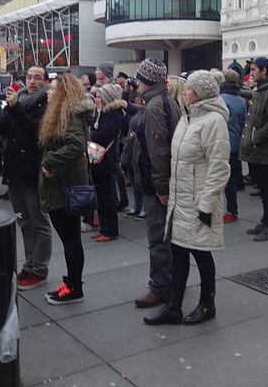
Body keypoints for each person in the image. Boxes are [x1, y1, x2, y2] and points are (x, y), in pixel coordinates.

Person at [144, 71, 230, 325]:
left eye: (190, 88)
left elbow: (219, 167)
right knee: (178, 253)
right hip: (180, 201)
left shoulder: (213, 121)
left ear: (201, 92)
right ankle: (173, 306)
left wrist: (206, 204)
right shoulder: (186, 117)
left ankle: (207, 304)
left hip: (199, 202)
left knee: (202, 254)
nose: (185, 91)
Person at [0, 66, 51, 290]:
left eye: (37, 78)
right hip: (15, 172)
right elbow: (1, 128)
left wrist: (15, 108)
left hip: (32, 172)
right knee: (24, 221)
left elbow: (36, 133)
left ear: (45, 81)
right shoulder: (18, 98)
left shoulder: (48, 104)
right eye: (29, 77)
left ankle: (39, 269)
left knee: (38, 223)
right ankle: (30, 265)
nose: (31, 81)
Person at [38, 72, 95, 304]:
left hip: (65, 186)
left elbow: (75, 146)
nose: (48, 92)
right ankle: (72, 284)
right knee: (70, 239)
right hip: (62, 184)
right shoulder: (64, 114)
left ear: (62, 92)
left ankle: (73, 288)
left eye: (52, 88)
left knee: (71, 239)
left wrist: (50, 160)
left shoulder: (70, 115)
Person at [132, 58, 180, 309]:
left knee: (159, 238)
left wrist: (161, 187)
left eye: (138, 78)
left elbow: (158, 150)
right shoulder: (164, 100)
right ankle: (168, 283)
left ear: (145, 81)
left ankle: (161, 287)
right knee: (165, 236)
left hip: (157, 184)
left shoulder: (155, 106)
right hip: (160, 181)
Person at [240, 56, 268, 242]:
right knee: (264, 189)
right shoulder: (261, 90)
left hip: (267, 150)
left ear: (264, 71)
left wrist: (255, 139)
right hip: (258, 150)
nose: (251, 73)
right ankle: (265, 221)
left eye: (254, 70)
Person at [89, 83, 125, 242]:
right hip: (98, 157)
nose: (97, 99)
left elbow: (102, 134)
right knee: (101, 196)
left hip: (106, 159)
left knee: (107, 196)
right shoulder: (102, 112)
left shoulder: (114, 114)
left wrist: (90, 133)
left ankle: (110, 230)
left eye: (99, 97)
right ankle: (104, 227)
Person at [219, 69, 246, 223]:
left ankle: (230, 210)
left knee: (224, 179)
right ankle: (232, 209)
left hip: (224, 141)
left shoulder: (221, 99)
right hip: (235, 141)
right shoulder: (241, 99)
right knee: (232, 177)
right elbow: (243, 122)